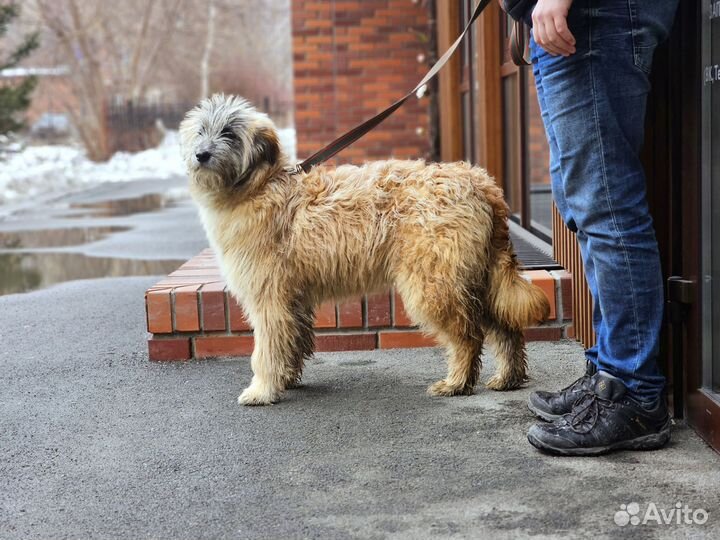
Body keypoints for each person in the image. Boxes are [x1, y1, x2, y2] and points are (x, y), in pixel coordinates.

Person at [501, 0, 680, 456]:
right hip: (568, 25)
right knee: (585, 208)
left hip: (594, 18)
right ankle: (608, 377)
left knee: (607, 209)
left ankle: (635, 394)